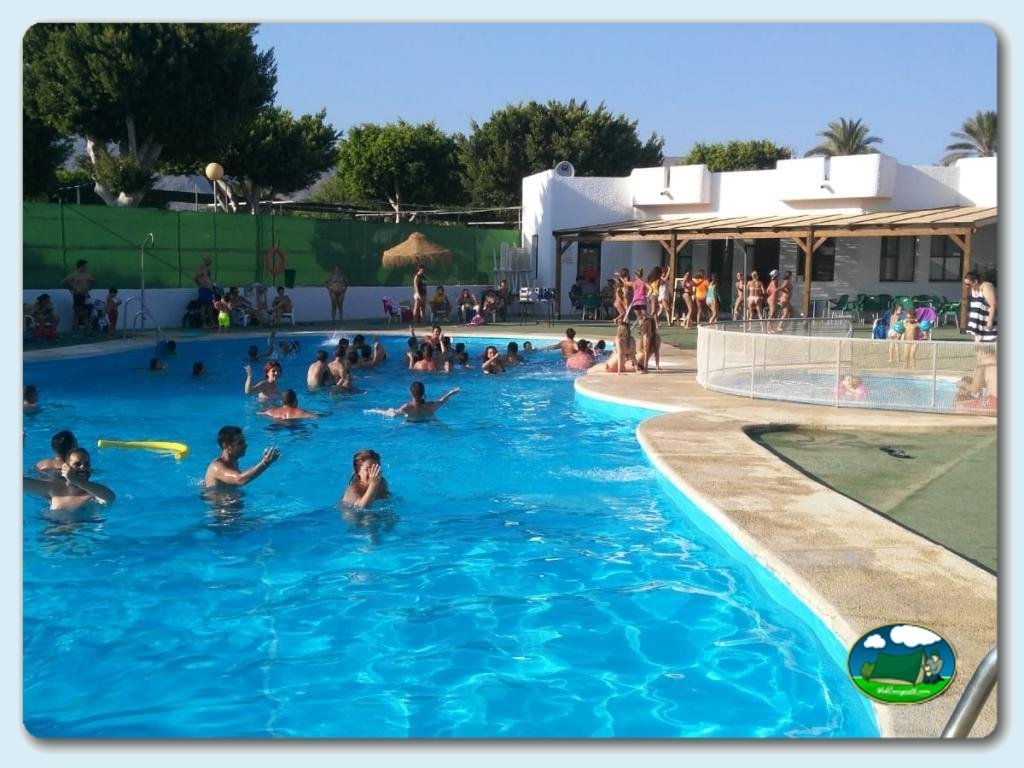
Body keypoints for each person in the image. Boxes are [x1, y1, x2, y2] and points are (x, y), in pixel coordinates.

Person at [23, 448, 115, 510]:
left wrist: (76, 481)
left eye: (87, 464)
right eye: (77, 464)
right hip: (53, 533)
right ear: (66, 467)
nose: (83, 467)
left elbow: (110, 498)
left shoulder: (94, 493)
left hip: (83, 535)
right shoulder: (53, 489)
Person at [203, 425, 280, 489]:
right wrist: (265, 463)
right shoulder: (217, 467)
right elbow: (239, 480)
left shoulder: (233, 461)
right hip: (220, 506)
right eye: (240, 443)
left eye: (244, 441)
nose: (245, 445)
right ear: (226, 446)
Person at [374, 381, 461, 422]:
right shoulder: (430, 405)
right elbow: (442, 401)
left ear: (410, 393)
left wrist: (377, 410)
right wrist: (451, 392)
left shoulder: (407, 407)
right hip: (429, 422)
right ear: (423, 393)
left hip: (411, 424)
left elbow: (393, 414)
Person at [61, 258, 95, 333]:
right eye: (85, 266)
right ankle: (76, 330)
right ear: (80, 266)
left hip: (85, 296)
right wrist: (72, 288)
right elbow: (64, 281)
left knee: (86, 313)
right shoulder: (74, 274)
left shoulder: (86, 274)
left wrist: (88, 288)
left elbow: (93, 281)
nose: (86, 267)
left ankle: (87, 330)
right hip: (78, 295)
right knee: (78, 313)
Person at [963, 270, 997, 342]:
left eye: (968, 284)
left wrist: (990, 322)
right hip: (978, 325)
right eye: (965, 284)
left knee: (988, 351)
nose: (966, 286)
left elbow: (993, 305)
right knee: (978, 350)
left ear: (975, 281)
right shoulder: (974, 289)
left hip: (987, 325)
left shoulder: (987, 288)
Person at [194, 255, 215, 329]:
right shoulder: (201, 267)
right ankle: (204, 324)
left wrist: (211, 286)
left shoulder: (207, 269)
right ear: (206, 261)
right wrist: (200, 284)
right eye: (209, 261)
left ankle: (212, 323)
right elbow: (195, 277)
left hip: (208, 289)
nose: (210, 262)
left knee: (210, 307)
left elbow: (208, 278)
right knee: (203, 307)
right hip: (204, 289)